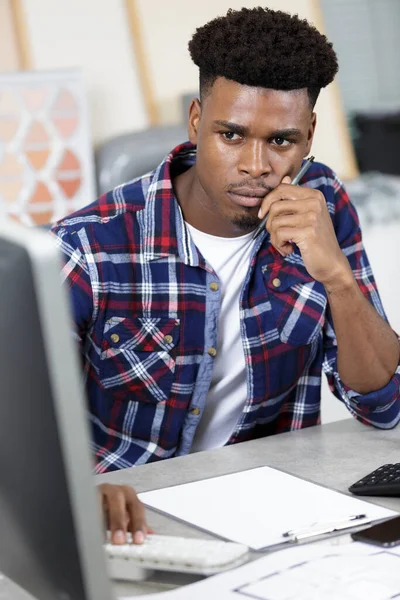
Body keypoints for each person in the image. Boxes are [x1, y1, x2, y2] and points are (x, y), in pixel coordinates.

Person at [53, 7, 400, 542]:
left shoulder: (321, 204)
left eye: (280, 141)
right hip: (128, 521)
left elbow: (382, 403)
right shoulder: (90, 245)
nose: (256, 165)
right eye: (231, 135)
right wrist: (72, 489)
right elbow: (20, 422)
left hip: (271, 509)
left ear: (308, 135)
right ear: (196, 122)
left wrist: (338, 278)